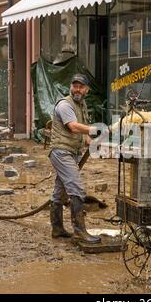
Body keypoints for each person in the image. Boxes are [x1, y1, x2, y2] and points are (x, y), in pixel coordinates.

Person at [48, 73, 101, 244]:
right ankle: (79, 232)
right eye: (75, 85)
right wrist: (94, 129)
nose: (77, 89)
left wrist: (91, 141)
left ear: (87, 89)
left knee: (60, 191)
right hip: (62, 152)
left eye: (81, 86)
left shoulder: (81, 105)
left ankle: (57, 229)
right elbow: (73, 127)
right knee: (76, 188)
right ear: (71, 86)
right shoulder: (65, 105)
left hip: (71, 151)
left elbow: (80, 135)